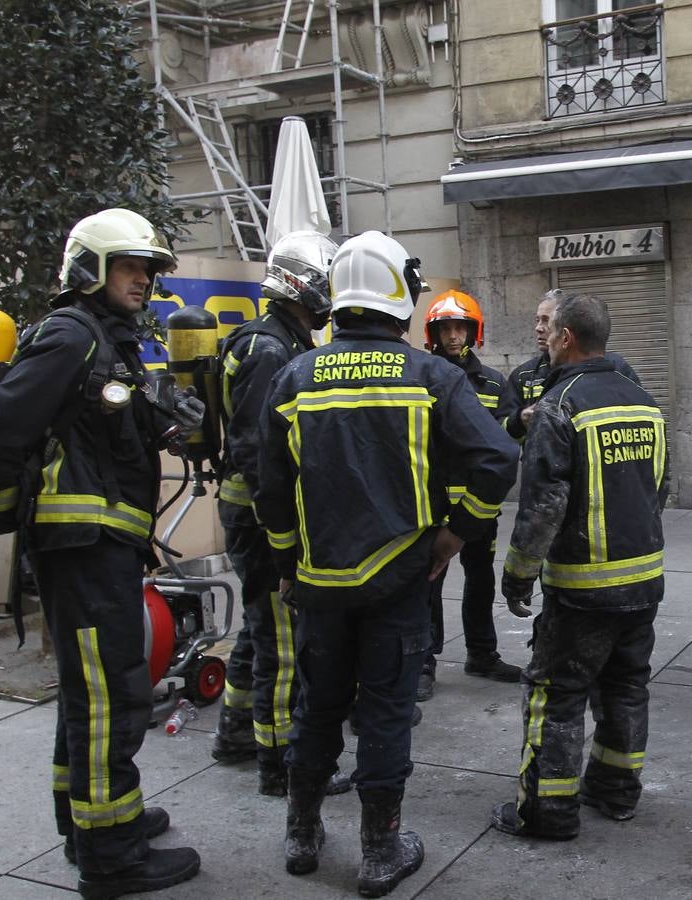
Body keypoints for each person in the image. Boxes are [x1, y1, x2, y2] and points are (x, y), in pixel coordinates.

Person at [256, 231, 518, 896]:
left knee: (317, 711)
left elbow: (270, 491)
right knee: (384, 714)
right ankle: (379, 851)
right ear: (398, 294)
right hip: (398, 581)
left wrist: (287, 562)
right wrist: (455, 534)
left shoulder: (294, 377)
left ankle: (303, 832)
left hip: (318, 587)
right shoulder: (430, 376)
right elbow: (498, 459)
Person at [0, 209, 201, 897]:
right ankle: (112, 858)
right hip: (84, 546)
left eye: (149, 270)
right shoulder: (72, 333)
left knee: (86, 695)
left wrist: (167, 422)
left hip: (100, 546)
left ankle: (91, 823)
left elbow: (105, 425)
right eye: (131, 267)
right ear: (91, 269)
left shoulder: (107, 340)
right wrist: (4, 511)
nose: (144, 281)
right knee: (112, 697)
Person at [491, 292, 669, 839]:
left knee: (556, 694)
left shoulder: (559, 405)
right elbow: (659, 489)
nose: (541, 336)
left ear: (567, 337)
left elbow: (543, 507)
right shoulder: (643, 402)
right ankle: (615, 791)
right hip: (642, 580)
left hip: (582, 590)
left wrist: (518, 574)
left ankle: (547, 810)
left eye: (549, 330)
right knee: (625, 687)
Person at [212, 230, 348, 795]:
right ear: (306, 285)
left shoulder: (275, 342)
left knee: (260, 628)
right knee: (284, 648)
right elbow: (258, 452)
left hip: (253, 516)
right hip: (263, 521)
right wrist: (286, 531)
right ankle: (282, 765)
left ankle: (236, 731)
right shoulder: (270, 351)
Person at [417, 289, 521, 699]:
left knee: (480, 581)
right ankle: (424, 662)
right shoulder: (421, 375)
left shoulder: (494, 383)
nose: (454, 335)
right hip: (434, 501)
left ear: (473, 332)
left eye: (461, 327)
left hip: (478, 504)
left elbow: (504, 437)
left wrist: (523, 421)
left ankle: (481, 654)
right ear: (434, 333)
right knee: (429, 583)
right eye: (446, 328)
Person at [499, 288, 641, 443]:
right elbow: (500, 434)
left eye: (547, 320)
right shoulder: (523, 375)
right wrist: (520, 420)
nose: (538, 328)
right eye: (537, 320)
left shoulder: (615, 368)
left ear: (565, 327)